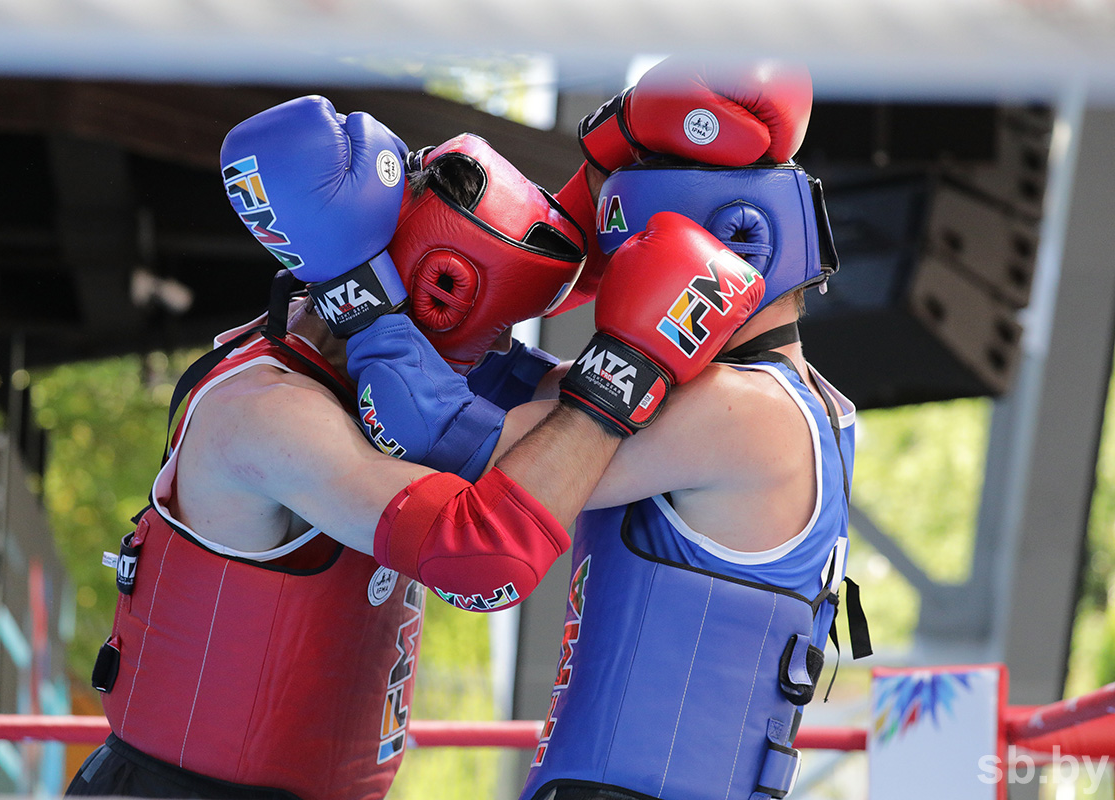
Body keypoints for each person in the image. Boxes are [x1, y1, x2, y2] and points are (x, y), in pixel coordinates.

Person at [65, 85, 762, 800]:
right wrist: (626, 371)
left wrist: (619, 142)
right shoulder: (270, 414)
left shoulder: (376, 351)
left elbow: (565, 363)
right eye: (495, 331)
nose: (502, 357)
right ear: (438, 294)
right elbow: (480, 558)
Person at [349, 60, 871, 800]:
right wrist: (524, 238)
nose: (621, 276)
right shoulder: (794, 405)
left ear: (734, 245)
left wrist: (355, 287)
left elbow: (443, 436)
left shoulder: (742, 413)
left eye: (636, 255)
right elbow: (504, 384)